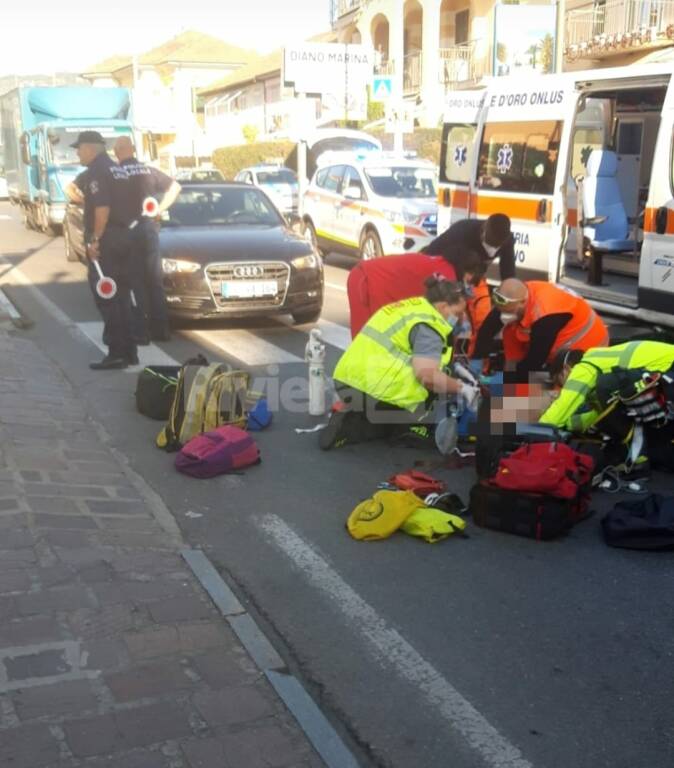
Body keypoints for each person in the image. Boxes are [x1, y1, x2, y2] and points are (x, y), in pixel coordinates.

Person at [320, 277, 479, 450]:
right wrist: (462, 388)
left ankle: (357, 413)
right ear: (442, 306)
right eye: (457, 313)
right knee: (419, 428)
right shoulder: (431, 325)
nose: (461, 319)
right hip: (374, 391)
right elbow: (428, 377)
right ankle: (360, 426)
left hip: (347, 380)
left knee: (444, 375)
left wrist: (454, 368)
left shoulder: (412, 306)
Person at [539, 341, 674, 470]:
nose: (563, 388)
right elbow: (602, 414)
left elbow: (563, 407)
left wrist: (536, 429)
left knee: (610, 390)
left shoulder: (585, 367)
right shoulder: (601, 365)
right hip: (666, 370)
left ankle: (637, 461)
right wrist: (569, 424)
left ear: (566, 369)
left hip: (668, 368)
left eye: (559, 381)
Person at [71, 131, 137, 370]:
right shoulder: (116, 168)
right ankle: (129, 351)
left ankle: (117, 353)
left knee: (107, 296)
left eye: (79, 148)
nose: (77, 153)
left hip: (107, 242)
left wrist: (95, 241)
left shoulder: (97, 171)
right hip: (124, 238)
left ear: (90, 148)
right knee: (122, 297)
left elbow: (102, 208)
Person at [113, 136, 181, 343]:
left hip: (128, 231)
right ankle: (161, 330)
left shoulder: (117, 173)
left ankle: (141, 331)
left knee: (135, 281)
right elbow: (176, 187)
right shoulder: (148, 170)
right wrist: (159, 209)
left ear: (117, 152)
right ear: (132, 150)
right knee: (154, 280)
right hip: (149, 228)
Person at [473, 279, 609, 381]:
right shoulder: (512, 297)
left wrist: (503, 384)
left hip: (586, 346)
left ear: (522, 302)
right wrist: (476, 363)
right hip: (557, 341)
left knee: (553, 394)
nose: (504, 316)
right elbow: (487, 330)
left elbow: (534, 362)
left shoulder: (545, 316)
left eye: (509, 312)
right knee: (511, 332)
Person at [346, 246, 486, 338]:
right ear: (468, 271)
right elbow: (438, 318)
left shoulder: (444, 266)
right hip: (367, 279)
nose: (470, 285)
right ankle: (355, 380)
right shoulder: (447, 276)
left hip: (377, 281)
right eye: (472, 280)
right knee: (365, 339)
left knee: (378, 337)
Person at [421, 213, 515, 280]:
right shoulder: (463, 231)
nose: (491, 252)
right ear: (483, 231)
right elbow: (435, 252)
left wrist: (511, 290)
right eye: (488, 245)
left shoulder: (508, 240)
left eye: (496, 247)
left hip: (472, 271)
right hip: (443, 264)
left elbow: (508, 270)